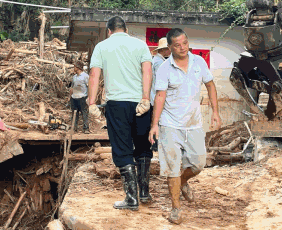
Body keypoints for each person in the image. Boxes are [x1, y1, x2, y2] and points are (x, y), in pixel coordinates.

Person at [148, 28, 222, 225]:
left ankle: (182, 183)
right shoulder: (164, 69)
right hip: (169, 124)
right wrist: (154, 125)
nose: (183, 48)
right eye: (178, 45)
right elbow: (160, 96)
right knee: (172, 167)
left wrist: (215, 111)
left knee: (199, 163)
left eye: (185, 43)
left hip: (194, 123)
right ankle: (175, 208)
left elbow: (210, 85)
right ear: (170, 48)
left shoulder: (199, 62)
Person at [88, 16, 153, 211]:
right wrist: (145, 98)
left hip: (116, 105)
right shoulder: (141, 45)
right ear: (126, 29)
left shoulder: (102, 46)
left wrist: (92, 102)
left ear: (109, 31)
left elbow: (94, 75)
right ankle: (144, 192)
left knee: (122, 148)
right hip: (140, 104)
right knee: (142, 145)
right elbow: (147, 71)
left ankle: (131, 198)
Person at [150, 37, 171, 108]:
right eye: (168, 48)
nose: (170, 50)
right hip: (156, 97)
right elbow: (161, 82)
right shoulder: (160, 62)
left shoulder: (156, 60)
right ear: (163, 49)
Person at [70, 60, 90, 134]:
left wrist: (89, 97)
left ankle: (86, 128)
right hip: (74, 97)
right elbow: (72, 87)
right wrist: (70, 96)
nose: (74, 68)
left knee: (84, 113)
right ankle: (74, 128)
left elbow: (89, 87)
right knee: (74, 114)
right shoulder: (74, 77)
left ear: (78, 67)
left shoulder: (85, 76)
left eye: (75, 66)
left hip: (82, 97)